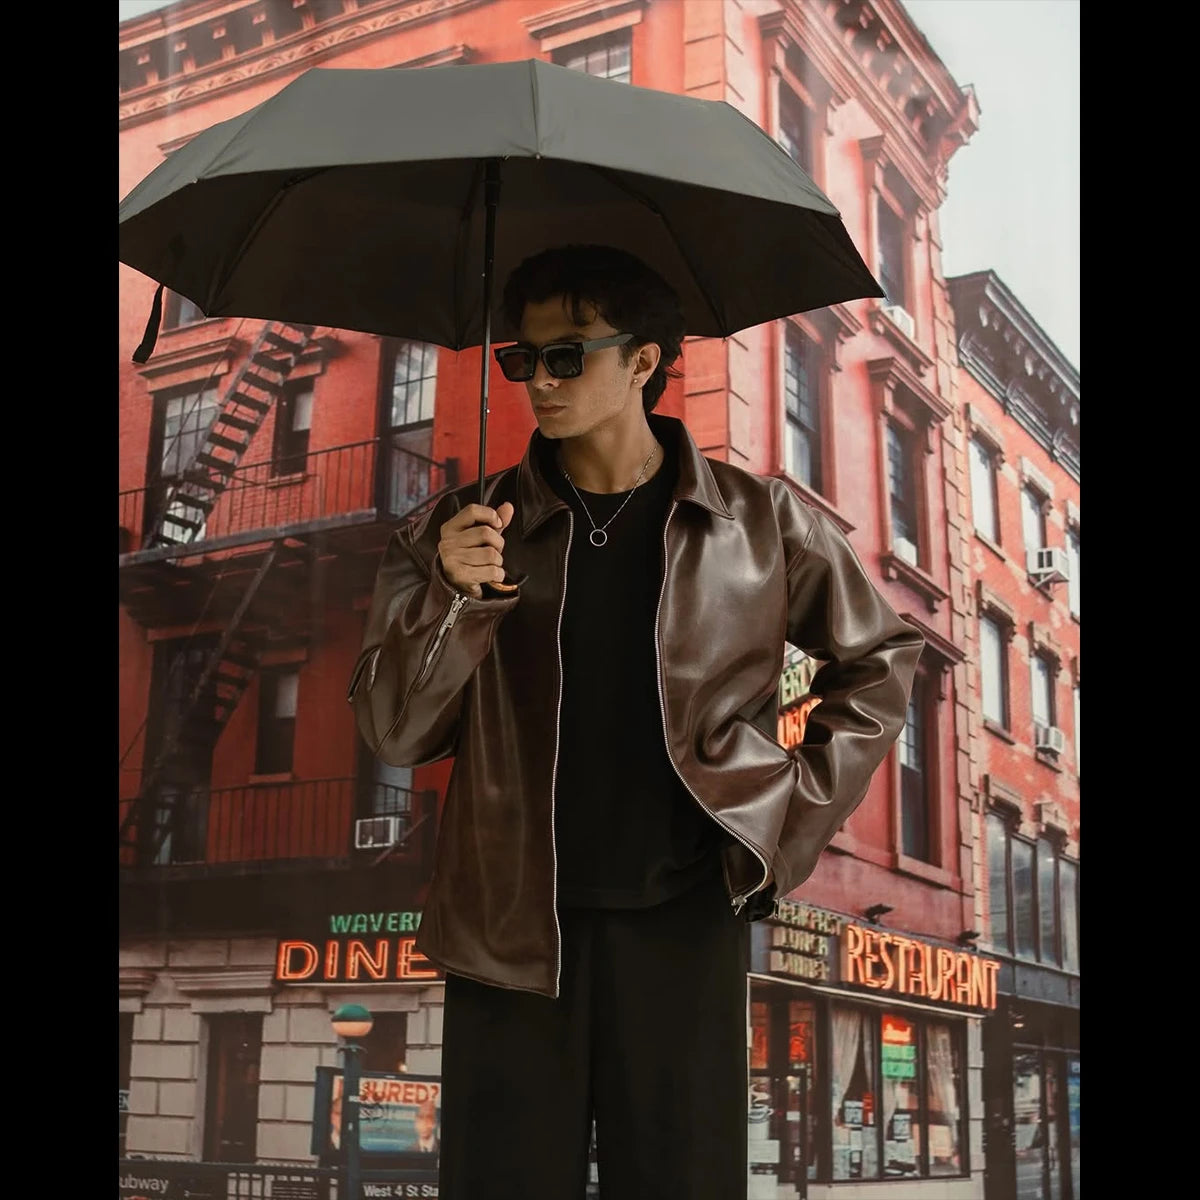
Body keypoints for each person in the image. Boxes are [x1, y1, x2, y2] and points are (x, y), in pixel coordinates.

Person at [349, 243, 924, 1199]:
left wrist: (787, 812)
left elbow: (881, 659)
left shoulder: (759, 522)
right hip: (508, 927)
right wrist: (453, 598)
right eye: (522, 359)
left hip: (682, 916)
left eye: (568, 354)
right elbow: (396, 733)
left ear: (645, 361)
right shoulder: (456, 530)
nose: (540, 380)